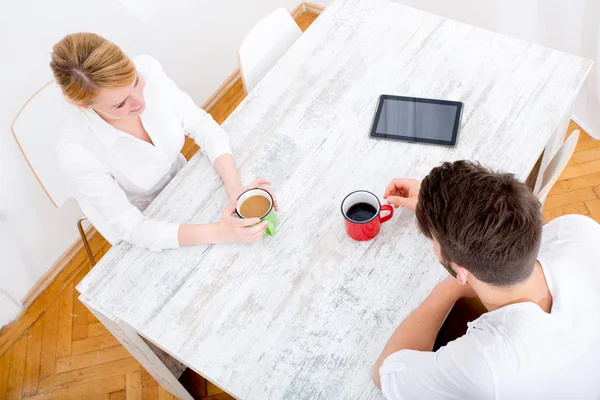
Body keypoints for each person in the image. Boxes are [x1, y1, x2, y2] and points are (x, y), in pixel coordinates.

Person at [373, 160, 600, 399]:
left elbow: (386, 372)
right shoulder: (578, 230)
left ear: (462, 272)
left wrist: (450, 287)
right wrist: (442, 217)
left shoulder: (486, 364)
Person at [51, 33, 277, 251]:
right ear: (85, 106)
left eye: (135, 82)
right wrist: (219, 232)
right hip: (156, 223)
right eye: (120, 105)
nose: (140, 102)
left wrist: (236, 190)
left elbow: (202, 126)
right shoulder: (77, 151)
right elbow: (133, 228)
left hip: (191, 181)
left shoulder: (148, 69)